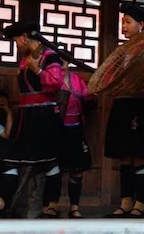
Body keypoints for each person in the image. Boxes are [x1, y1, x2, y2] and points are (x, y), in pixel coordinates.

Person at [0, 20, 66, 218]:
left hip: (44, 115)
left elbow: (56, 83)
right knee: (13, 158)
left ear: (25, 37)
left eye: (16, 41)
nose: (16, 45)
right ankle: (2, 202)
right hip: (26, 114)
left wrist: (37, 69)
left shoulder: (49, 55)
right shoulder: (26, 58)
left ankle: (51, 205)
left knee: (49, 160)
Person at [104, 4, 144, 218]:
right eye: (123, 22)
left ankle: (141, 204)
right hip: (122, 105)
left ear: (141, 24)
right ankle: (126, 202)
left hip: (141, 105)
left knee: (140, 154)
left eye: (128, 21)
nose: (124, 26)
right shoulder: (122, 51)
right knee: (124, 155)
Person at [50, 60, 94, 219]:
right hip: (56, 128)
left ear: (68, 62)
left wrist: (91, 95)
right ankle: (52, 205)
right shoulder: (51, 78)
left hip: (75, 127)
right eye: (57, 61)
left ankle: (74, 207)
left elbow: (86, 96)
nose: (61, 63)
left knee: (77, 170)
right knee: (55, 168)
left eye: (63, 60)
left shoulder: (77, 79)